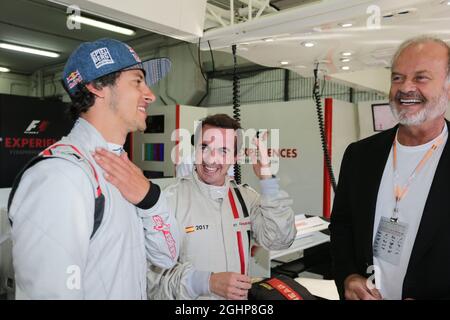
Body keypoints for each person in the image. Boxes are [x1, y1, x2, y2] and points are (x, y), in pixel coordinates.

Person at [8, 38, 179, 299]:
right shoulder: (60, 176)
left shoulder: (124, 169)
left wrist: (151, 200)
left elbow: (167, 257)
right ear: (97, 87)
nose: (150, 94)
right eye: (137, 81)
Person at [94, 113, 296, 299]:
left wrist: (267, 179)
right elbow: (148, 280)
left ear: (235, 157)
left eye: (223, 150)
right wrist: (204, 282)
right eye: (204, 147)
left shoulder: (245, 198)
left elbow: (279, 240)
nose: (211, 158)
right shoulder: (169, 202)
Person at [330, 35, 450, 300]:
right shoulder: (360, 155)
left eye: (420, 78)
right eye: (397, 77)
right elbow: (342, 227)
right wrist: (348, 276)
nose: (405, 88)